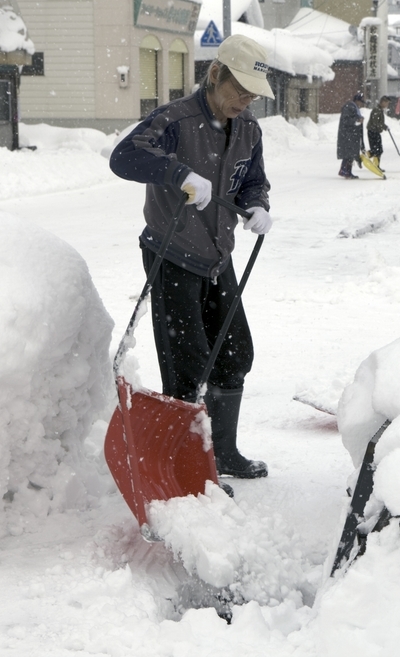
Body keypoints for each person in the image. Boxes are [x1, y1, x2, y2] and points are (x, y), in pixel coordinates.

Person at [108, 34, 273, 480]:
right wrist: (177, 172)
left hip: (218, 258)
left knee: (235, 353)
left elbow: (252, 179)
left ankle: (223, 452)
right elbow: (123, 157)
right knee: (188, 365)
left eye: (253, 95)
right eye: (240, 90)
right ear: (216, 74)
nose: (245, 101)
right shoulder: (175, 120)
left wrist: (257, 204)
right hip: (173, 255)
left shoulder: (249, 129)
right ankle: (187, 467)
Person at [337, 92, 366, 179]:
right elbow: (346, 120)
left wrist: (359, 119)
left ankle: (346, 171)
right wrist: (357, 120)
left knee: (350, 154)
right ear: (357, 100)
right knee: (349, 154)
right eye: (360, 102)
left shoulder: (353, 107)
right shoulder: (349, 106)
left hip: (351, 135)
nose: (361, 104)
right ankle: (345, 171)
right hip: (348, 135)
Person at [366, 96, 391, 171]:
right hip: (373, 131)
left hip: (375, 131)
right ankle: (363, 158)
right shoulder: (377, 110)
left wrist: (384, 126)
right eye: (387, 103)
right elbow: (376, 122)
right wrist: (384, 127)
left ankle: (375, 165)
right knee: (376, 150)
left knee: (378, 149)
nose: (387, 105)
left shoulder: (379, 110)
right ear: (382, 102)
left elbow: (378, 122)